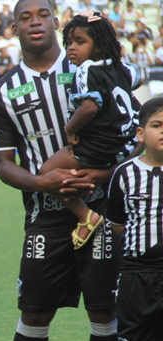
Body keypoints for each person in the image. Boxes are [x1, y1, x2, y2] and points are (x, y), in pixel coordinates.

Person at [0, 0, 126, 341]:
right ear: (14, 28)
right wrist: (44, 183)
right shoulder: (3, 92)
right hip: (44, 217)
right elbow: (4, 165)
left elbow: (131, 135)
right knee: (34, 312)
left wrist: (99, 175)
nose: (34, 22)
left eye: (42, 14)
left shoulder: (90, 68)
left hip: (102, 210)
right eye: (25, 16)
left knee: (104, 311)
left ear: (55, 22)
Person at [37, 12, 141, 250]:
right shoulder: (121, 68)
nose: (72, 48)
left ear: (98, 46)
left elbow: (89, 108)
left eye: (80, 42)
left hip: (98, 146)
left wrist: (70, 129)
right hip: (125, 144)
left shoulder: (85, 71)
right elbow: (138, 77)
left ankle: (86, 215)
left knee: (47, 174)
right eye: (69, 42)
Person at [105, 97, 163, 341]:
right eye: (158, 125)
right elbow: (117, 224)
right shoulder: (125, 173)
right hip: (139, 275)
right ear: (141, 133)